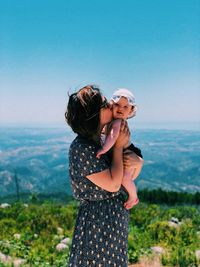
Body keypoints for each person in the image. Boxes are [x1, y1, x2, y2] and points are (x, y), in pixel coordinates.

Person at [65, 85, 137, 267]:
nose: (111, 106)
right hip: (97, 223)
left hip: (111, 218)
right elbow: (113, 184)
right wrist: (119, 146)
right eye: (104, 104)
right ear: (93, 115)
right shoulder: (81, 148)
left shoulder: (99, 140)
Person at [96, 88, 144, 209]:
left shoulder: (118, 122)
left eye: (125, 107)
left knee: (125, 179)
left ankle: (133, 197)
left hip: (127, 152)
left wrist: (104, 149)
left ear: (130, 111)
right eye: (117, 104)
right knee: (125, 178)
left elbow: (112, 137)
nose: (120, 109)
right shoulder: (113, 122)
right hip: (126, 152)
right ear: (111, 105)